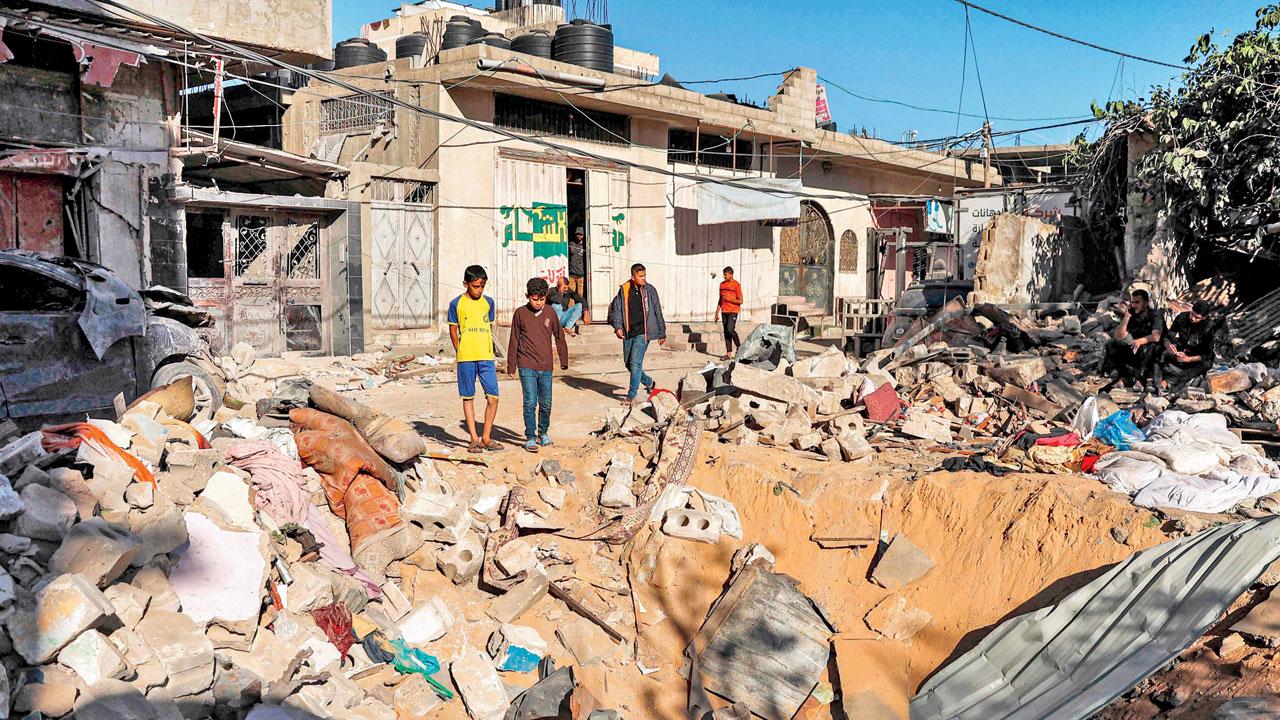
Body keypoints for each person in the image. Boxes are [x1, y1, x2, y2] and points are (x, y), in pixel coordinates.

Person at [507, 277, 569, 453]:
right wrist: (512, 365)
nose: (538, 302)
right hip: (526, 365)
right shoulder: (519, 314)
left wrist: (563, 359)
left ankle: (543, 432)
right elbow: (514, 340)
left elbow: (559, 336)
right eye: (535, 299)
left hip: (546, 366)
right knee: (529, 402)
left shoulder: (550, 312)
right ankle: (530, 436)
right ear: (528, 296)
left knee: (546, 403)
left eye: (542, 299)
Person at [448, 265, 500, 453]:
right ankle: (474, 438)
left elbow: (490, 327)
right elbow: (453, 330)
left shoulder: (489, 303)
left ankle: (486, 437)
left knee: (493, 397)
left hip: (486, 357)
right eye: (475, 286)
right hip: (466, 358)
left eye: (482, 286)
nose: (479, 290)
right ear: (466, 284)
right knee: (468, 397)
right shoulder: (456, 304)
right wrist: (460, 351)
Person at [607, 263, 667, 405]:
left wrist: (662, 332)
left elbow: (657, 310)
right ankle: (649, 383)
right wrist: (618, 327)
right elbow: (617, 311)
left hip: (643, 333)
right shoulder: (624, 290)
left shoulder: (650, 290)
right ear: (633, 276)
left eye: (644, 275)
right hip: (628, 332)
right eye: (640, 276)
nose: (643, 278)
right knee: (628, 364)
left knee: (635, 363)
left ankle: (631, 395)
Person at [1101, 289, 1163, 390]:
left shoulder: (1156, 315)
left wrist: (1139, 341)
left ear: (1146, 302)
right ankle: (1126, 377)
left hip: (1154, 348)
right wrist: (1126, 317)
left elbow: (1156, 337)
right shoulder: (1133, 315)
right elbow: (1118, 336)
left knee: (1146, 347)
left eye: (1137, 302)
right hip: (1137, 346)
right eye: (1132, 302)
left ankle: (1142, 380)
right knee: (1111, 345)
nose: (1134, 305)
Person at [1156, 299, 1217, 393]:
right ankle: (1155, 379)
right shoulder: (1182, 317)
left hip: (1196, 356)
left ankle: (1168, 382)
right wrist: (1169, 345)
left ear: (1204, 318)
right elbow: (1168, 337)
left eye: (1197, 317)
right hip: (1181, 350)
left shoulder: (1209, 326)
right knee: (1158, 348)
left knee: (1207, 363)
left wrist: (1187, 359)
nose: (1192, 318)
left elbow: (1207, 354)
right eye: (1192, 314)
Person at [714, 266, 743, 360]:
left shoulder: (736, 285)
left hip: (733, 311)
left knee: (730, 330)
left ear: (731, 274)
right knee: (726, 332)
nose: (724, 276)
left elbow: (740, 301)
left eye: (725, 274)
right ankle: (729, 354)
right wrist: (716, 313)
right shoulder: (722, 285)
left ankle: (739, 347)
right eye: (723, 274)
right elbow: (720, 300)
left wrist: (729, 299)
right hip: (724, 311)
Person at [567, 227, 587, 296]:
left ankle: (580, 307)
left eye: (581, 234)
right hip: (572, 274)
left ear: (584, 235)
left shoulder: (586, 246)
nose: (579, 236)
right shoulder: (572, 244)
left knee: (580, 294)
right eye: (577, 234)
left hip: (581, 275)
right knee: (571, 295)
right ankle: (571, 307)